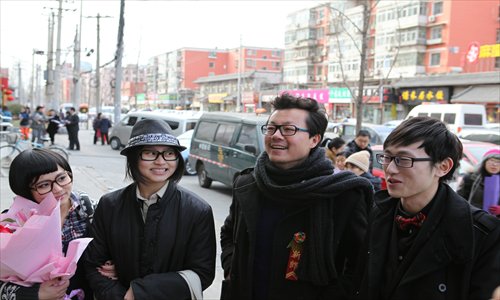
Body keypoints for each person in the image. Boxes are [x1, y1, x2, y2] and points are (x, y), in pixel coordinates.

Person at [220, 94, 373, 299]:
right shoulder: (248, 184)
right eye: (272, 128)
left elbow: (360, 264)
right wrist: (232, 267)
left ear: (314, 139)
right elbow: (229, 233)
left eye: (288, 129)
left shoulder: (342, 195)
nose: (276, 135)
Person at [355, 117, 500, 299]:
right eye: (387, 157)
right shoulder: (377, 213)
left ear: (443, 167)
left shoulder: (480, 233)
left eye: (403, 159)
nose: (390, 168)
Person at [83, 118, 216, 299]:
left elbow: (203, 273)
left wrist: (139, 292)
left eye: (169, 153)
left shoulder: (197, 210)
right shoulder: (109, 205)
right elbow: (93, 264)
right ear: (134, 158)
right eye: (150, 153)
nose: (161, 161)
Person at [0, 148, 109, 299]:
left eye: (62, 178)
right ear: (25, 190)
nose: (58, 189)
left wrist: (112, 266)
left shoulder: (92, 211)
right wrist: (35, 294)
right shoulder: (11, 224)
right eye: (44, 185)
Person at [457, 148, 500, 217]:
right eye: (491, 160)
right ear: (484, 162)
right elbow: (459, 199)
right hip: (473, 219)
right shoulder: (471, 178)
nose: (494, 164)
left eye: (498, 162)